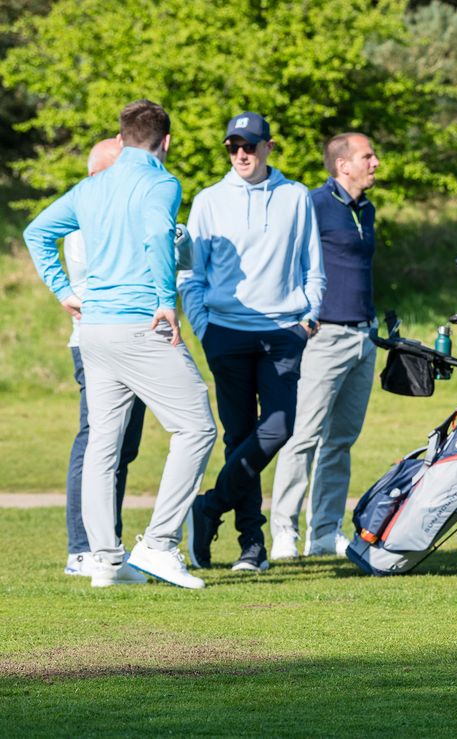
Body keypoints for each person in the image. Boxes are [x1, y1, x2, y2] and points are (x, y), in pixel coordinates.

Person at [24, 99, 216, 589]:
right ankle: (158, 544)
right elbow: (157, 236)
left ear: (122, 136)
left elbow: (37, 231)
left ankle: (106, 561)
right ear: (165, 141)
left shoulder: (93, 186)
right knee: (196, 425)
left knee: (103, 447)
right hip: (137, 325)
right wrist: (165, 299)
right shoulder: (161, 182)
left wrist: (64, 291)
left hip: (94, 333)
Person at [182, 112, 325, 573]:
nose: (240, 154)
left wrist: (308, 317)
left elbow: (313, 266)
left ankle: (208, 508)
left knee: (280, 426)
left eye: (249, 145)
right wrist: (203, 326)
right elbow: (190, 272)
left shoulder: (296, 196)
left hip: (284, 331)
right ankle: (252, 545)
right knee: (239, 437)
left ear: (269, 146)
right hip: (225, 331)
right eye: (232, 147)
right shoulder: (208, 201)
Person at [269, 132, 380, 560]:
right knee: (305, 435)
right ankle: (284, 530)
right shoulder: (313, 204)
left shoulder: (366, 209)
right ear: (343, 165)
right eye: (367, 157)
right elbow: (286, 257)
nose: (375, 163)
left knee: (340, 440)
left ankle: (324, 530)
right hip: (323, 336)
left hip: (363, 337)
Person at [60, 138, 148, 577]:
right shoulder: (87, 214)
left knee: (124, 446)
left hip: (137, 335)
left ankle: (106, 543)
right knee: (96, 440)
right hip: (99, 338)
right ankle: (83, 547)